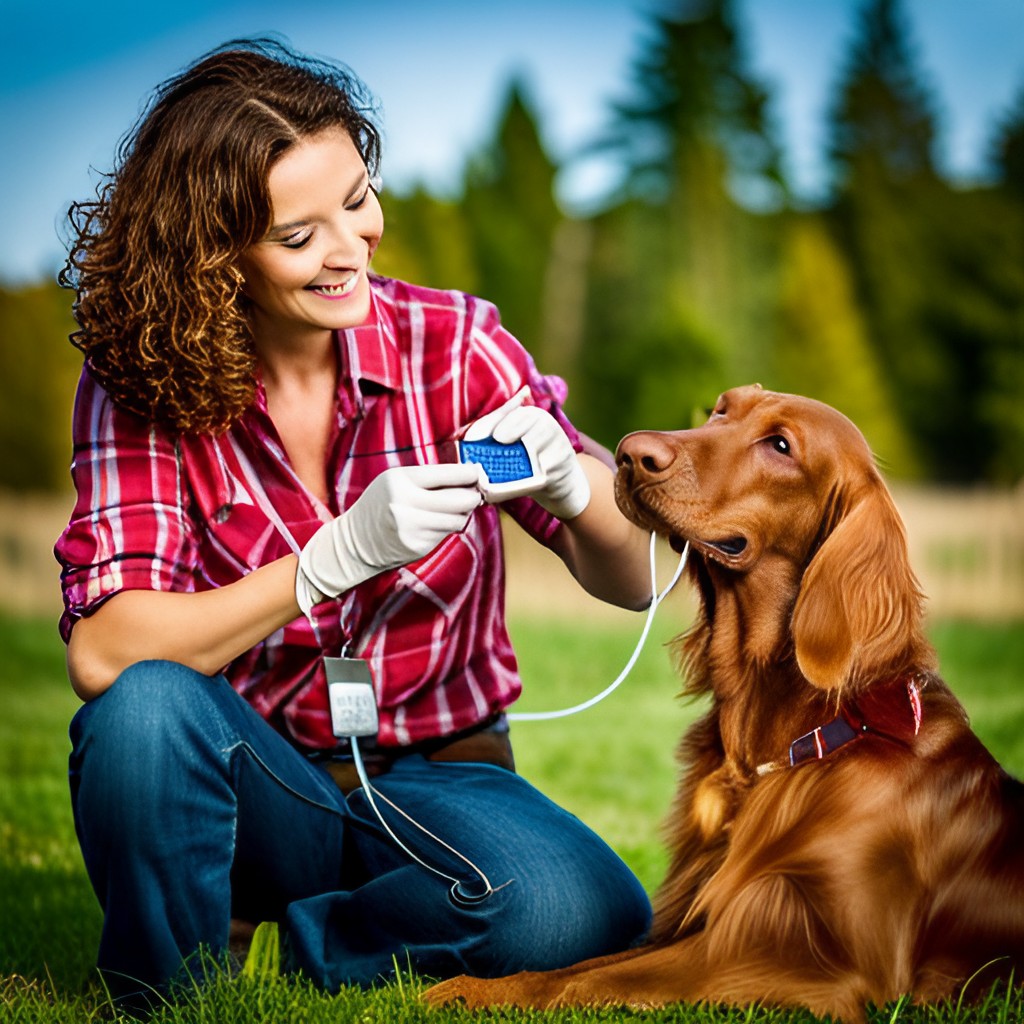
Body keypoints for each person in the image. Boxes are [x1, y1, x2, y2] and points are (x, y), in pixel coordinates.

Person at [55, 37, 654, 1010]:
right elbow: (104, 653)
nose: (352, 246)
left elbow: (632, 581)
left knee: (579, 912)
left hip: (440, 777)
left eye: (358, 197)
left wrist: (574, 489)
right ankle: (168, 989)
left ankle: (284, 954)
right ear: (213, 264)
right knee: (144, 710)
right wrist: (325, 561)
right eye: (299, 236)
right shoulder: (140, 385)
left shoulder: (455, 342)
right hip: (254, 783)